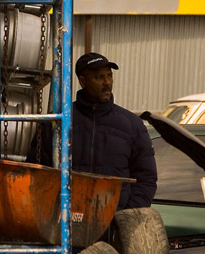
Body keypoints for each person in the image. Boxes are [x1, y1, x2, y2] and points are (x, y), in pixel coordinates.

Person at [28, 52, 157, 210]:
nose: (107, 83)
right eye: (99, 77)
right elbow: (36, 170)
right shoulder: (57, 122)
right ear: (83, 81)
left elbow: (146, 178)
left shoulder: (132, 125)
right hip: (64, 223)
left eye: (109, 76)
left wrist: (126, 216)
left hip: (114, 225)